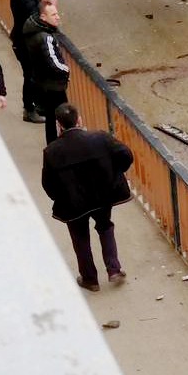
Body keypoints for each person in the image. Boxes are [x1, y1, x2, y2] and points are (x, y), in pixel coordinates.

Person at [41, 103, 133, 292]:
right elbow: (126, 155)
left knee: (80, 237)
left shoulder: (52, 151)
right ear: (79, 120)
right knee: (105, 226)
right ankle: (113, 269)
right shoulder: (100, 138)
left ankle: (90, 279)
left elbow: (48, 184)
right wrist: (114, 175)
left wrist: (60, 196)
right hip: (102, 196)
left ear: (59, 125)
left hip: (73, 204)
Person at [22, 0, 70, 143]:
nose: (58, 17)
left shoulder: (33, 28)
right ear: (43, 17)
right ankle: (65, 145)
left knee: (50, 119)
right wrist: (66, 69)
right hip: (53, 86)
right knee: (64, 116)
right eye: (54, 14)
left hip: (43, 83)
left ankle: (53, 145)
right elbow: (53, 62)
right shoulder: (45, 37)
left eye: (57, 13)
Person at [10, 0, 46, 123]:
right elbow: (34, 21)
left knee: (32, 74)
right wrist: (45, 5)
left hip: (20, 40)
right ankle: (30, 109)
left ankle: (35, 105)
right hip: (26, 44)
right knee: (30, 75)